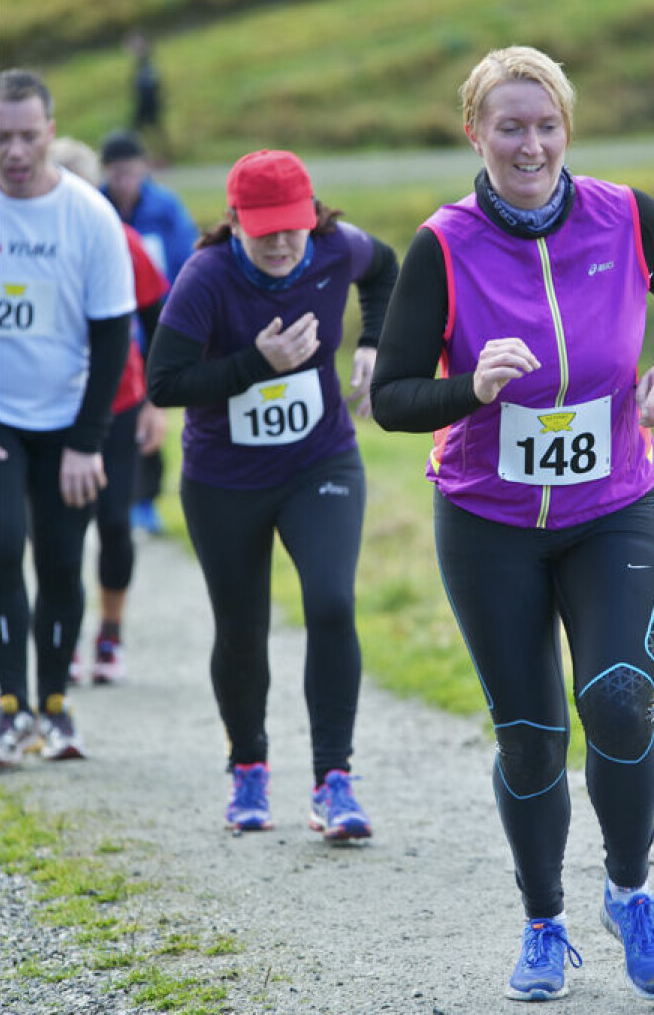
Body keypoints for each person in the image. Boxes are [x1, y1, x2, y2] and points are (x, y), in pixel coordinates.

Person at [371, 47, 654, 1002]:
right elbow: (392, 400)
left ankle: (630, 890)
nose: (531, 144)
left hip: (613, 508)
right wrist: (466, 388)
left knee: (615, 699)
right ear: (475, 133)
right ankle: (543, 922)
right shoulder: (443, 245)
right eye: (510, 126)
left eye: (546, 124)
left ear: (568, 129)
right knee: (530, 736)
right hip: (488, 523)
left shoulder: (625, 214)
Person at [146, 148, 398, 839]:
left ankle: (333, 781)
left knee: (332, 601)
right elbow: (163, 384)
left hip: (320, 460)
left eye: (293, 225)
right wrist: (259, 364)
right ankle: (248, 767)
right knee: (242, 627)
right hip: (224, 481)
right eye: (265, 230)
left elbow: (385, 269)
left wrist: (374, 344)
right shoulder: (205, 278)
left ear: (311, 216)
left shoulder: (333, 248)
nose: (283, 242)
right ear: (235, 223)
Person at [0, 70, 134, 766]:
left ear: (50, 131)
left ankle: (54, 706)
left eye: (27, 135)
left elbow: (113, 334)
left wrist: (88, 442)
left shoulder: (88, 215)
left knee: (57, 563)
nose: (14, 151)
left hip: (69, 418)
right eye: (0, 138)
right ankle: (7, 705)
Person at [51, 137, 171, 685]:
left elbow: (159, 322)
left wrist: (152, 401)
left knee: (116, 524)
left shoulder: (120, 240)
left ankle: (110, 634)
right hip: (52, 411)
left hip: (120, 402)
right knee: (60, 533)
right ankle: (66, 635)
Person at [100, 127, 198, 534]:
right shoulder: (96, 208)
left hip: (158, 326)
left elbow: (186, 265)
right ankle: (108, 493)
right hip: (112, 334)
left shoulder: (166, 209)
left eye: (132, 171)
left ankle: (146, 500)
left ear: (144, 169)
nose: (125, 181)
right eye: (117, 173)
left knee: (152, 417)